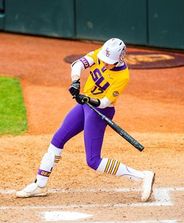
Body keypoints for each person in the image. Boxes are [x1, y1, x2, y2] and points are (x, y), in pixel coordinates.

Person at [16, 38, 155, 202]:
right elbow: (78, 64)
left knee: (93, 160)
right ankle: (40, 184)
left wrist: (89, 100)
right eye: (103, 60)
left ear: (120, 59)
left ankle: (142, 176)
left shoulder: (122, 76)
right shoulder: (100, 55)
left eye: (108, 62)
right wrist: (75, 81)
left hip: (100, 111)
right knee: (58, 140)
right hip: (85, 107)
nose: (104, 64)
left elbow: (105, 102)